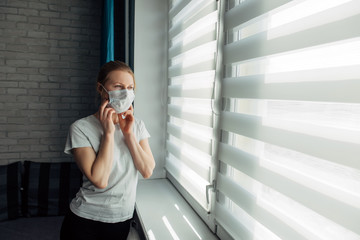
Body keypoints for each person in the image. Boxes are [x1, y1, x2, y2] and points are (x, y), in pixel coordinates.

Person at [60, 60, 155, 240]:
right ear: (101, 88)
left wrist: (128, 134)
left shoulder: (137, 126)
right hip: (84, 221)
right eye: (118, 86)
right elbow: (100, 180)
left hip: (121, 220)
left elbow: (147, 170)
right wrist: (109, 133)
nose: (125, 93)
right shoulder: (80, 128)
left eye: (130, 87)